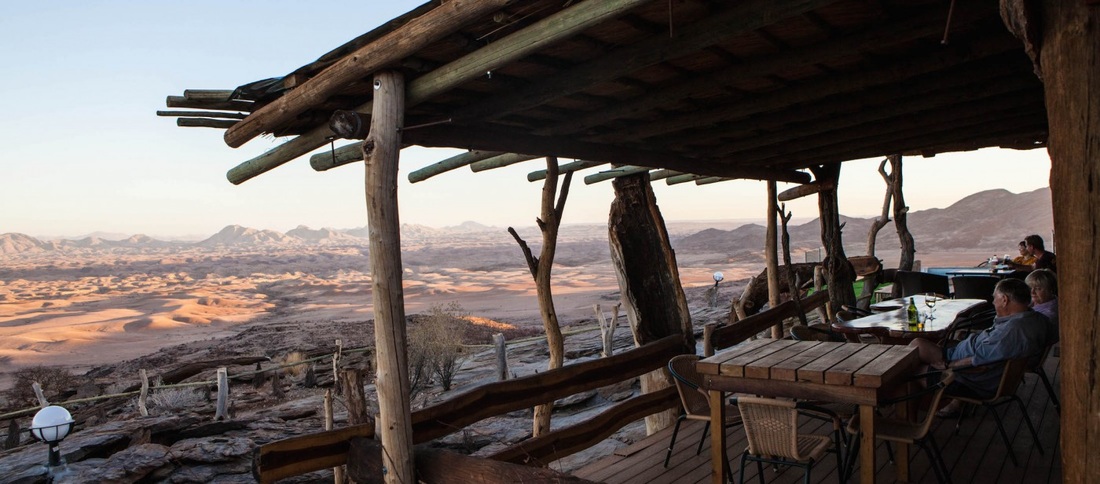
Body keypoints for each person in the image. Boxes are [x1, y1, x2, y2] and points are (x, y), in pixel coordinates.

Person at [909, 278, 1049, 413]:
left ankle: (911, 416)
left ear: (1004, 300)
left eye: (995, 298)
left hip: (970, 381)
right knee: (918, 344)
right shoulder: (1034, 318)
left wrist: (948, 365)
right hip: (972, 367)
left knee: (912, 369)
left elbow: (979, 365)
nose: (994, 302)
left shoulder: (1010, 333)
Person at [1025, 268, 1059, 345]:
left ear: (1051, 290)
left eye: (1038, 289)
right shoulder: (1034, 301)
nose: (1032, 292)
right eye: (1030, 288)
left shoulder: (1049, 314)